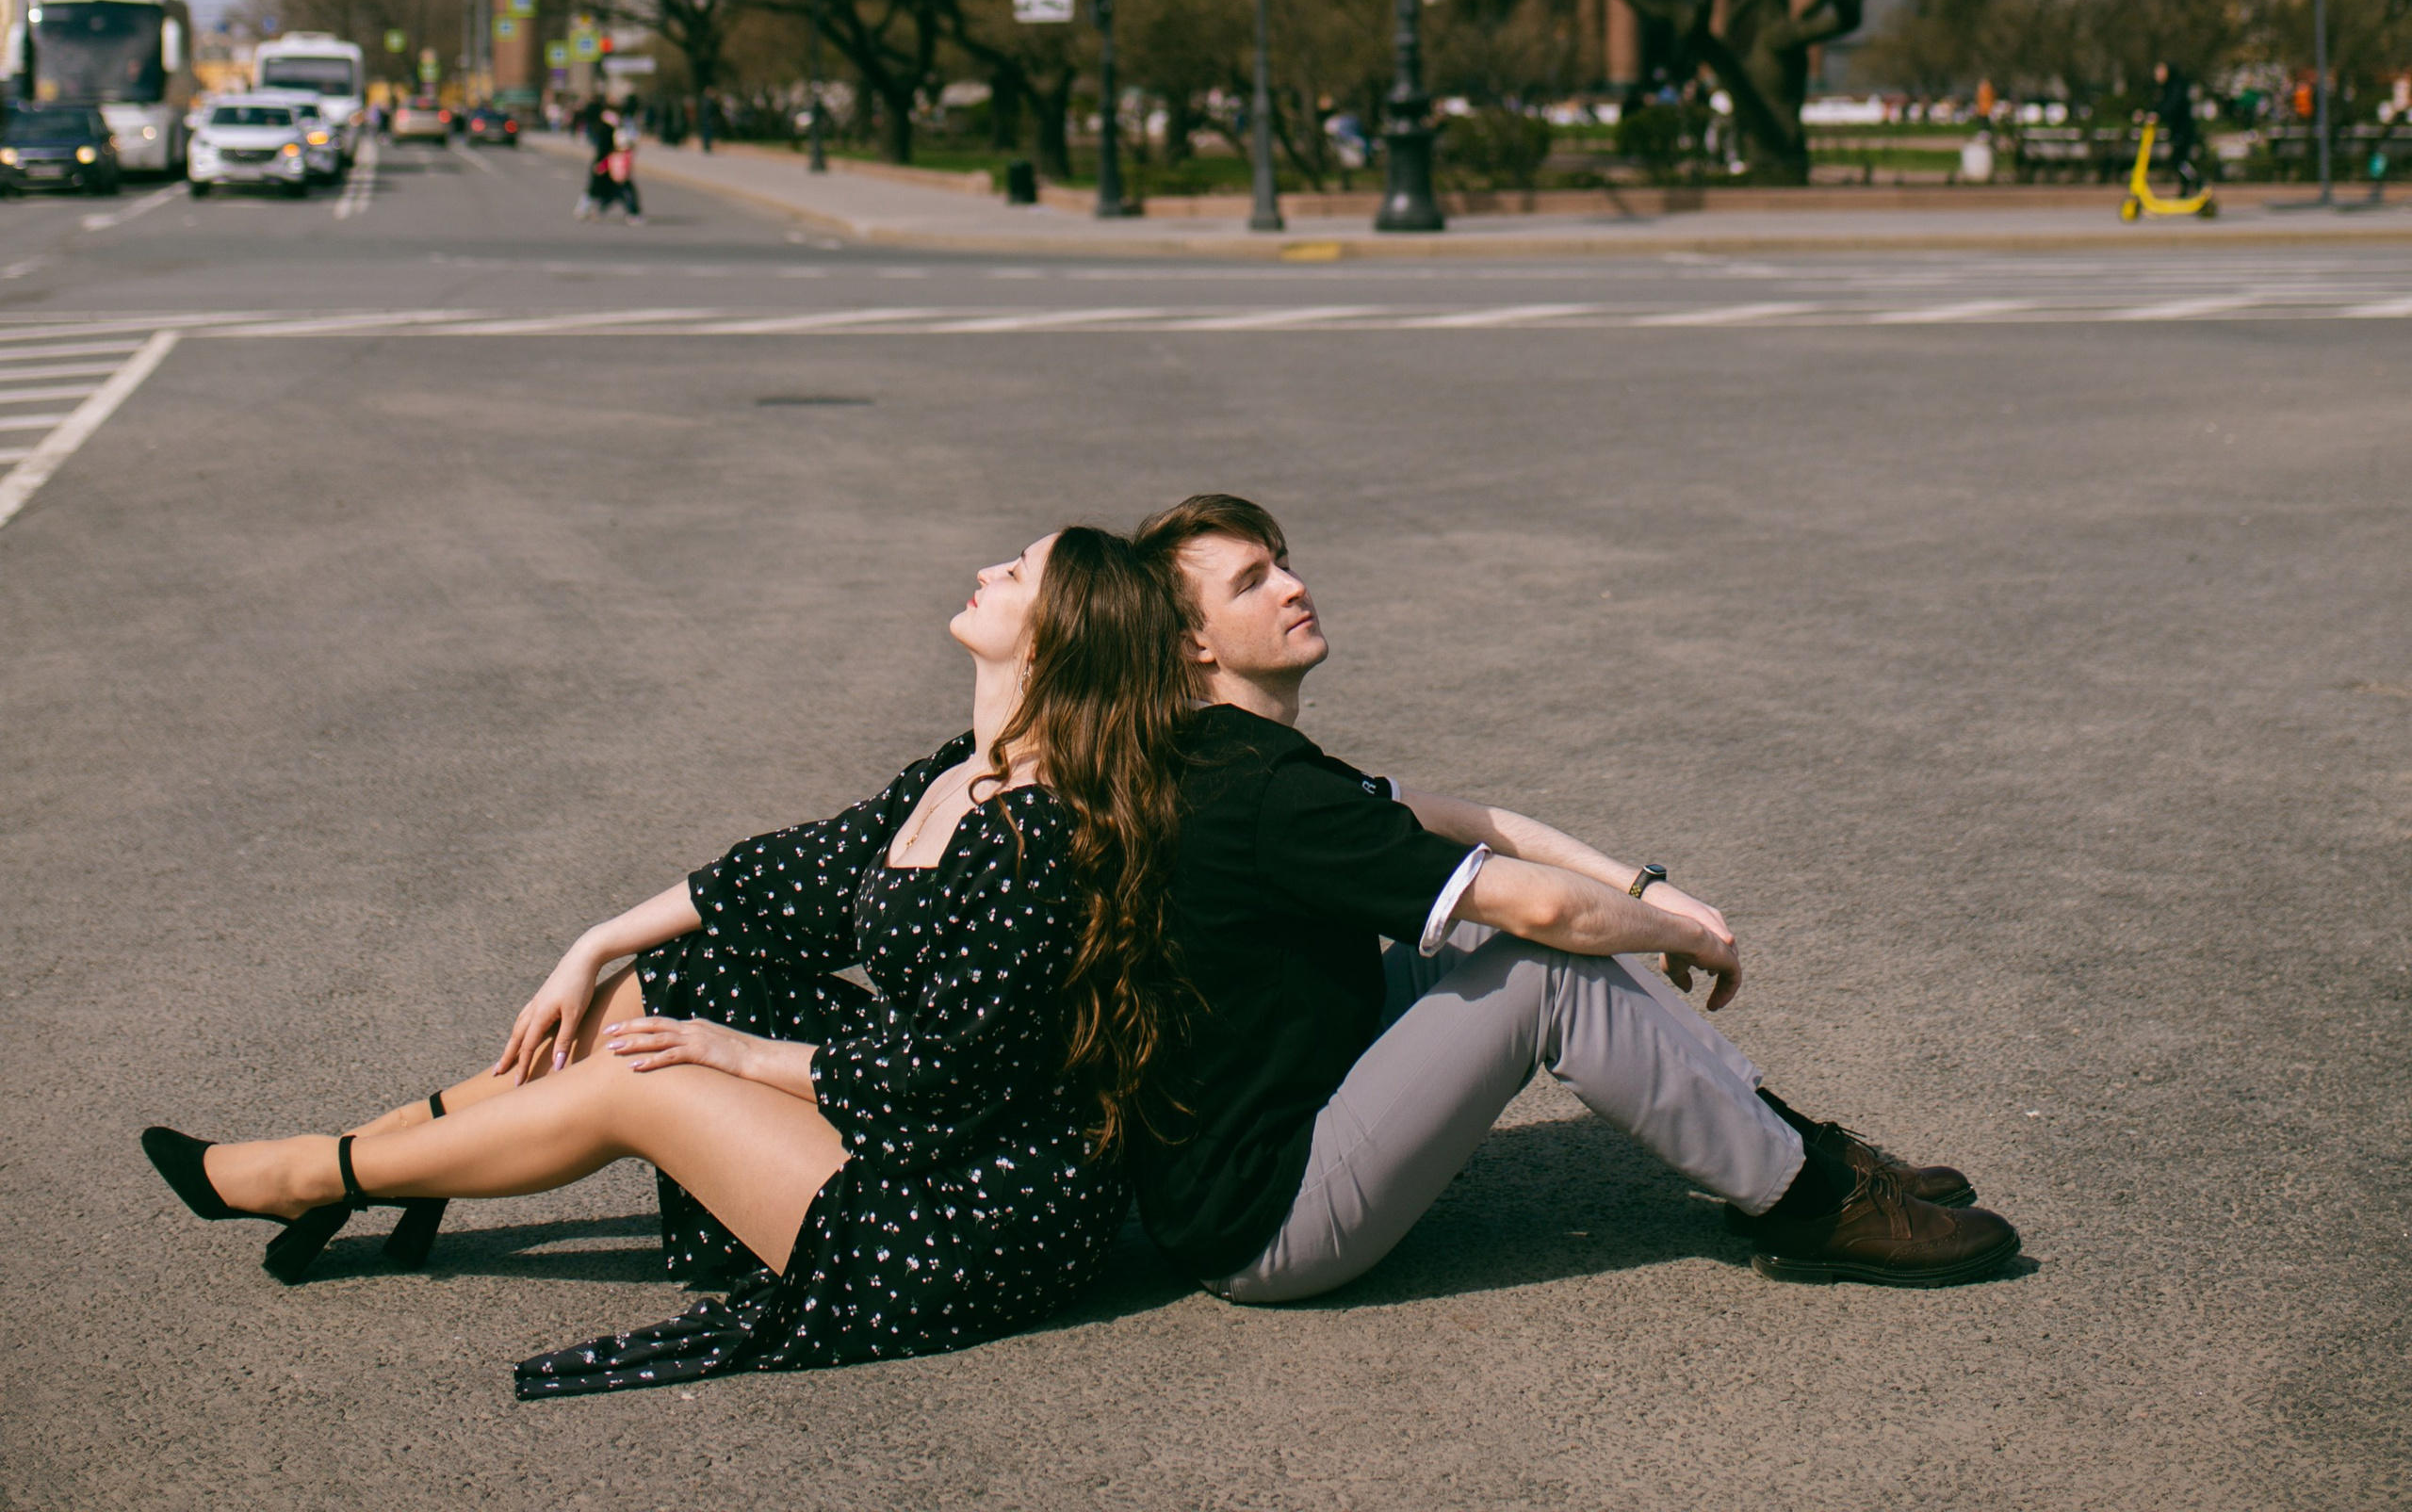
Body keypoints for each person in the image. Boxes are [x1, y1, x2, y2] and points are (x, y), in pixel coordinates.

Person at [141, 525, 1193, 1394]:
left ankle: (311, 1178)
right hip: (931, 1133)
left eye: (1015, 572)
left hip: (972, 1218)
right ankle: (386, 1153)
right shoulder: (963, 775)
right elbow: (779, 883)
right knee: (682, 973)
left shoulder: (1039, 841)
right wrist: (589, 944)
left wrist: (734, 1056)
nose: (985, 569)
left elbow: (939, 1074)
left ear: (1056, 638)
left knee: (654, 1071)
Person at [1129, 493, 2021, 1302]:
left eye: (1282, 560)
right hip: (1263, 1224)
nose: (1293, 585)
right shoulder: (1268, 797)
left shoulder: (1228, 759)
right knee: (1542, 964)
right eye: (1254, 581)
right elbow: (1547, 913)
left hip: (1249, 1147)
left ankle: (1786, 1145)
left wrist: (1638, 884)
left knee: (1475, 934)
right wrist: (1681, 932)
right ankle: (1809, 1203)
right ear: (1192, 643)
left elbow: (1455, 821)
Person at [2152, 58, 2201, 194]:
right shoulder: (2169, 87)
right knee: (2179, 159)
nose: (2157, 74)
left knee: (2178, 160)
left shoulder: (2175, 87)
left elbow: (2171, 105)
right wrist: (2149, 113)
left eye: (2160, 71)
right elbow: (2161, 105)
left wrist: (2158, 114)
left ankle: (2197, 181)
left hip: (2182, 130)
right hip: (2179, 129)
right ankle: (2186, 188)